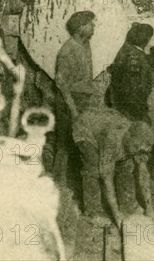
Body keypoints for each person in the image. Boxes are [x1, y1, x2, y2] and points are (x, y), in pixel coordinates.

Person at [74, 107, 154, 226]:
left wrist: (150, 208)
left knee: (127, 168)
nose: (138, 151)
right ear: (129, 137)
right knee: (93, 169)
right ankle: (93, 212)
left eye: (141, 149)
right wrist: (117, 216)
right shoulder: (111, 141)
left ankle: (128, 205)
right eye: (136, 146)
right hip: (85, 129)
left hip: (108, 125)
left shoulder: (138, 143)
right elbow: (107, 179)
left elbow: (143, 175)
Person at [53, 11, 96, 202]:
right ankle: (57, 189)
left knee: (80, 144)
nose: (93, 27)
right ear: (80, 28)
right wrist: (73, 109)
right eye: (90, 24)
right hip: (69, 101)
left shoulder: (85, 45)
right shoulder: (68, 50)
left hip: (82, 100)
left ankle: (76, 188)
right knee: (63, 144)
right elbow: (61, 82)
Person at [108, 23, 154, 124]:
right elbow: (133, 87)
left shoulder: (127, 49)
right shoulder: (135, 56)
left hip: (125, 103)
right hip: (130, 107)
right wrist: (140, 110)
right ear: (146, 39)